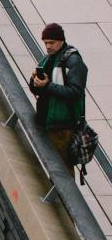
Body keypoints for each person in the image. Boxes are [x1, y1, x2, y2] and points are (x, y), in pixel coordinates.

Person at [29, 23, 88, 178]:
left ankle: (65, 202)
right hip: (46, 122)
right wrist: (34, 81)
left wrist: (47, 85)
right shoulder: (48, 60)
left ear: (61, 40)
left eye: (51, 42)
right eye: (45, 42)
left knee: (63, 171)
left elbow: (75, 92)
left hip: (63, 126)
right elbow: (37, 90)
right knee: (49, 167)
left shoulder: (73, 62)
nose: (48, 46)